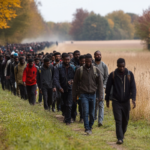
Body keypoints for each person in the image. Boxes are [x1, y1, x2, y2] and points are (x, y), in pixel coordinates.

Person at [105, 58, 136, 144]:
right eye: (119, 66)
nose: (121, 68)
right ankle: (120, 138)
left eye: (123, 66)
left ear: (125, 65)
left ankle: (122, 133)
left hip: (126, 102)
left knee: (125, 120)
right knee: (118, 120)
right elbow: (108, 88)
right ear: (117, 65)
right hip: (116, 101)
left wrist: (133, 98)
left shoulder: (130, 75)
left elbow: (133, 87)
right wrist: (107, 99)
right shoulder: (113, 75)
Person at [72, 54, 103, 134]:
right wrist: (74, 95)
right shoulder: (80, 70)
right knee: (85, 111)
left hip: (93, 94)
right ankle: (87, 128)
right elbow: (75, 83)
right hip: (83, 94)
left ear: (91, 61)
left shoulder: (96, 70)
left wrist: (100, 95)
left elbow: (100, 84)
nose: (88, 63)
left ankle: (90, 125)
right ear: (84, 61)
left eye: (89, 61)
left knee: (92, 113)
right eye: (86, 61)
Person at [54, 54, 75, 125]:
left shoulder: (73, 68)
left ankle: (68, 120)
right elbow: (56, 79)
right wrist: (59, 87)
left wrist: (72, 81)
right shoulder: (59, 68)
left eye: (68, 59)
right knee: (63, 104)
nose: (67, 61)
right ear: (62, 59)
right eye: (65, 59)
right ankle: (66, 116)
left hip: (70, 89)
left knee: (69, 104)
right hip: (62, 89)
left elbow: (76, 78)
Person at [93, 51, 109, 127]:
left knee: (101, 104)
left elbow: (106, 77)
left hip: (101, 88)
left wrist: (104, 86)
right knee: (94, 103)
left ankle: (100, 120)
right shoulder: (92, 65)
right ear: (94, 56)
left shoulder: (104, 66)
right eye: (97, 55)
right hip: (93, 88)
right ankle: (94, 117)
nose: (98, 56)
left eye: (99, 55)